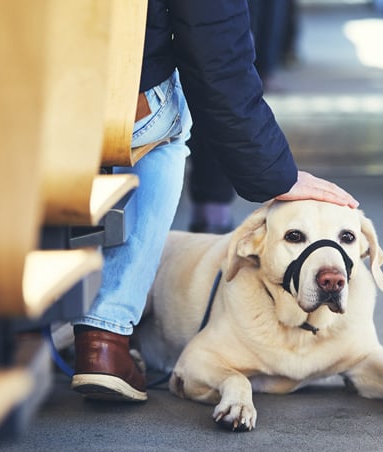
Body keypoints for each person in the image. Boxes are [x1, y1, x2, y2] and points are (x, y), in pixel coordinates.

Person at [70, 0, 358, 402]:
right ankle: (106, 332)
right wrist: (276, 173)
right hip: (105, 102)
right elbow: (216, 56)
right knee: (166, 122)